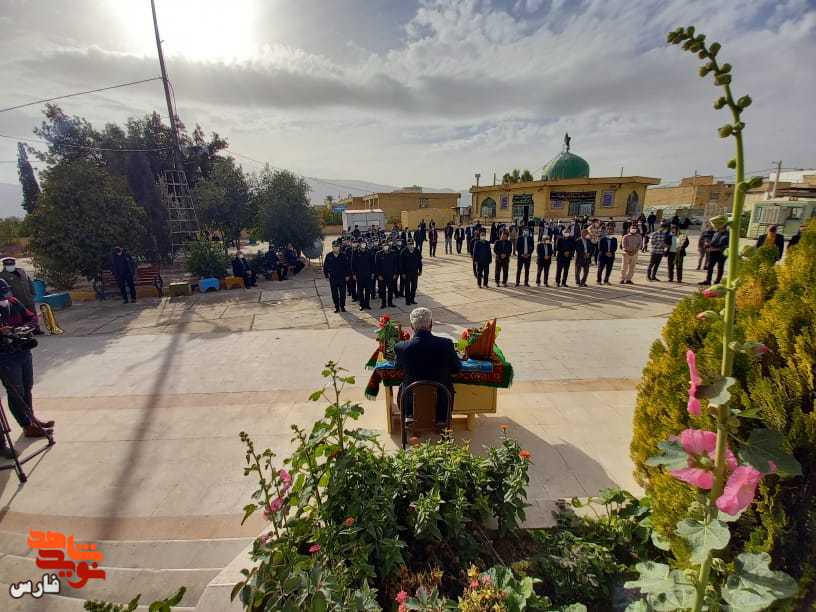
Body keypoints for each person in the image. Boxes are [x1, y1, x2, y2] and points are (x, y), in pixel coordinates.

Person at [0, 279, 53, 455]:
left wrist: (24, 328)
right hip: (6, 357)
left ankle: (31, 420)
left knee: (27, 387)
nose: (5, 297)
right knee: (16, 391)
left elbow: (31, 317)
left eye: (5, 293)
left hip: (23, 351)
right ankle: (25, 424)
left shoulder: (14, 302)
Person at [394, 307, 461, 424]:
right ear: (431, 324)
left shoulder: (401, 347)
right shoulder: (446, 344)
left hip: (411, 408)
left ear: (411, 326)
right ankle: (442, 423)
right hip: (442, 407)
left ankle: (410, 419)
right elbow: (457, 368)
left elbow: (398, 368)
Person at [0, 257, 42, 334]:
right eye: (8, 265)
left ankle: (36, 329)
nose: (10, 266)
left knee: (33, 314)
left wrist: (33, 292)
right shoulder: (2, 276)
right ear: (4, 265)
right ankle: (23, 331)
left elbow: (29, 282)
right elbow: (4, 290)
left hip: (28, 297)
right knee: (21, 317)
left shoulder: (21, 271)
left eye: (11, 264)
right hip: (17, 300)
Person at [323, 242, 350, 312]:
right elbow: (325, 266)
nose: (336, 248)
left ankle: (342, 306)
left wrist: (347, 275)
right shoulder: (329, 256)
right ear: (332, 247)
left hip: (342, 278)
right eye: (334, 247)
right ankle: (337, 307)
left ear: (339, 247)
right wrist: (326, 275)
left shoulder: (343, 255)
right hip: (333, 278)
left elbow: (347, 266)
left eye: (337, 246)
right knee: (334, 294)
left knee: (342, 293)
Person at [352, 241, 374, 310]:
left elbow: (372, 263)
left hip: (368, 275)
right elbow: (353, 264)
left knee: (368, 291)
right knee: (360, 291)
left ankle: (367, 304)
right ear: (359, 245)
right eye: (362, 244)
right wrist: (354, 274)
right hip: (359, 275)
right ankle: (362, 305)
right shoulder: (356, 253)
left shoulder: (369, 252)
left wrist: (373, 273)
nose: (363, 245)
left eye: (364, 244)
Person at [376, 242, 399, 308]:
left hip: (391, 275)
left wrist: (395, 273)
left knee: (390, 290)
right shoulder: (378, 254)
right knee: (382, 290)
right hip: (382, 276)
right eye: (384, 246)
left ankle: (390, 303)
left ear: (389, 246)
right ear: (382, 247)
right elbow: (377, 265)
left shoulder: (393, 253)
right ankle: (383, 303)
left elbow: (395, 264)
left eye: (387, 246)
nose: (386, 247)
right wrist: (378, 275)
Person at [400, 240, 422, 305]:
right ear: (407, 245)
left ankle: (412, 299)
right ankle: (408, 301)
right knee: (407, 287)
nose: (411, 245)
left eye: (412, 244)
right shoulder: (404, 251)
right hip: (407, 273)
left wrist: (420, 270)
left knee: (414, 286)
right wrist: (402, 273)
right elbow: (401, 264)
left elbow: (419, 261)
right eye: (409, 244)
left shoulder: (417, 251)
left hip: (415, 272)